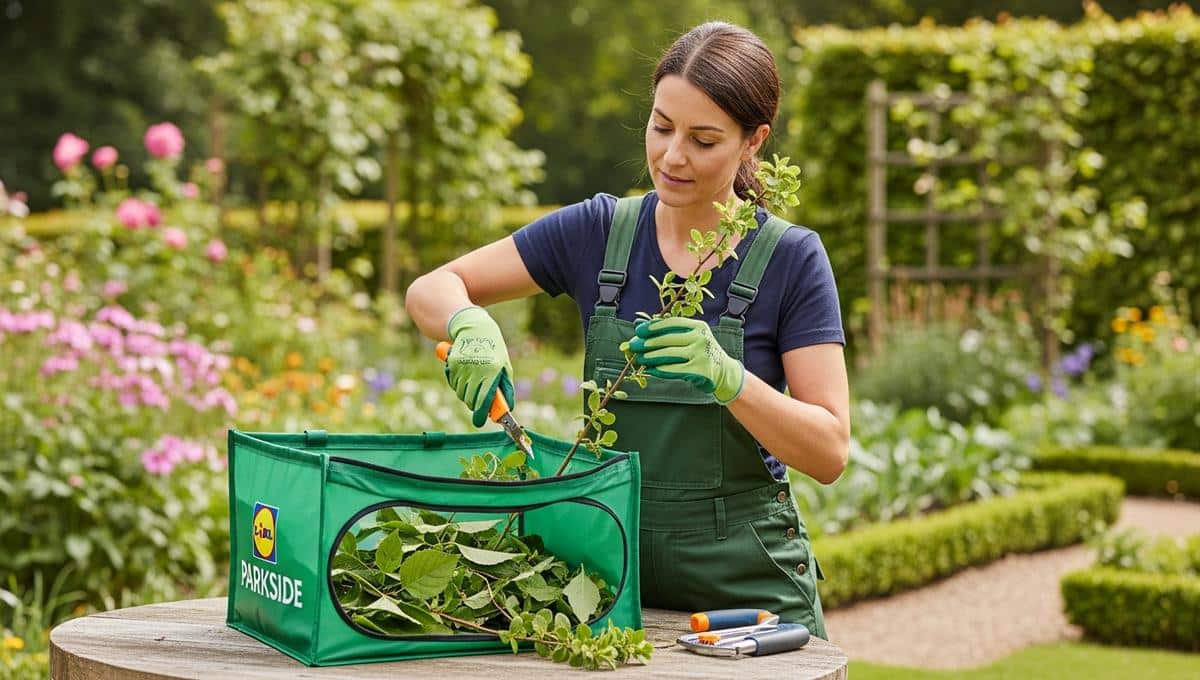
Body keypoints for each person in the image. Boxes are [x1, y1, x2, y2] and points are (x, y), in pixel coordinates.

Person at [405, 21, 849, 639]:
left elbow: (829, 452)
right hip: (608, 583)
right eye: (662, 126)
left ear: (755, 141)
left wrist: (731, 379)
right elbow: (430, 287)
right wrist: (468, 323)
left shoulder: (791, 259)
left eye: (704, 139)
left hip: (749, 602)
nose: (672, 156)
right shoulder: (599, 232)